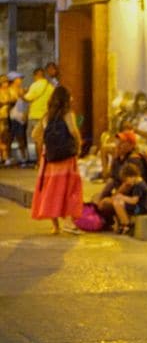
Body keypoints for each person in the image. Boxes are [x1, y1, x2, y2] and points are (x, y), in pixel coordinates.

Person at [30, 85, 83, 234]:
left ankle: (55, 226)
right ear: (66, 99)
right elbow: (74, 131)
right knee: (69, 189)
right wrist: (78, 146)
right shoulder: (68, 114)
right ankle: (69, 223)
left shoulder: (47, 116)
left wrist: (46, 144)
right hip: (66, 158)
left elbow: (35, 135)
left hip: (50, 160)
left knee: (51, 190)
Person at [94, 130, 145, 205]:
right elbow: (113, 178)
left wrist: (112, 198)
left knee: (105, 204)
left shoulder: (134, 160)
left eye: (122, 142)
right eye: (118, 142)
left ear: (131, 145)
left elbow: (128, 184)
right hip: (122, 193)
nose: (118, 145)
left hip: (134, 198)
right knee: (96, 198)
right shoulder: (118, 157)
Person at [108, 162, 147, 235]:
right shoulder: (137, 183)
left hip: (141, 208)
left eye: (126, 180)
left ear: (132, 177)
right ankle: (124, 223)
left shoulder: (139, 186)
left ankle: (126, 224)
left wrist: (122, 197)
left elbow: (134, 201)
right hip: (138, 205)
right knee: (117, 202)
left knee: (118, 203)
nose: (126, 183)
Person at [24, 67, 55, 162]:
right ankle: (46, 160)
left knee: (37, 139)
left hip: (35, 115)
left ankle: (38, 161)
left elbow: (28, 98)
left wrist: (21, 94)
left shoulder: (35, 85)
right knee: (46, 139)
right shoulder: (50, 86)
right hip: (46, 115)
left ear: (36, 75)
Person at [7, 71, 28, 165]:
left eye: (20, 78)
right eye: (18, 79)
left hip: (21, 116)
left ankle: (23, 158)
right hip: (11, 117)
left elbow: (25, 104)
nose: (20, 80)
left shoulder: (21, 89)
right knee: (10, 137)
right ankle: (8, 157)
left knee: (21, 137)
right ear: (13, 80)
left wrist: (25, 114)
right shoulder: (8, 90)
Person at [0, 74, 11, 164]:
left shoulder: (8, 91)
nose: (6, 83)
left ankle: (5, 156)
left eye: (7, 81)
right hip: (1, 117)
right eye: (4, 82)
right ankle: (3, 156)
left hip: (6, 116)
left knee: (5, 137)